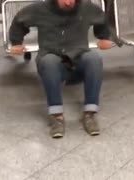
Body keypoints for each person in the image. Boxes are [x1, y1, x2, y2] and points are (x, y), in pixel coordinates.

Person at [9, 0, 114, 138]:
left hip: (78, 57)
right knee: (49, 61)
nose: (69, 2)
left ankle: (90, 114)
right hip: (51, 58)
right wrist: (16, 42)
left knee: (94, 59)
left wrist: (104, 37)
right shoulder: (40, 9)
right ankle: (57, 117)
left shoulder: (86, 8)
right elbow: (19, 20)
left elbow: (101, 19)